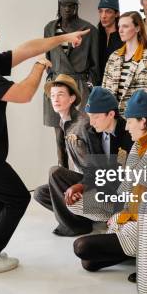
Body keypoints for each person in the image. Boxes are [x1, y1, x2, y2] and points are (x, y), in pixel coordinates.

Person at [0, 10, 88, 277]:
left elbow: (25, 49)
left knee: (2, 198)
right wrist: (39, 67)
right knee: (17, 199)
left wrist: (65, 37)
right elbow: (23, 94)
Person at [69, 90, 147, 294]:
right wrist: (119, 216)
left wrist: (126, 223)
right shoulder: (139, 146)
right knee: (88, 262)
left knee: (82, 248)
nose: (126, 127)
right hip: (134, 219)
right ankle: (131, 253)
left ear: (143, 121)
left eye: (130, 122)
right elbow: (127, 191)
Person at [34, 85, 132, 236]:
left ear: (111, 114)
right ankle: (83, 218)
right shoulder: (95, 131)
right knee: (42, 193)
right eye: (90, 116)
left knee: (74, 202)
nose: (91, 122)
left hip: (115, 193)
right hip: (98, 182)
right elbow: (94, 169)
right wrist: (81, 186)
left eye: (96, 117)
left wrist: (83, 188)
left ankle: (79, 222)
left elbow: (126, 181)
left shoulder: (128, 135)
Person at [43, 0, 100, 133]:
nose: (67, 9)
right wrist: (50, 77)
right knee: (59, 138)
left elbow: (95, 66)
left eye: (72, 5)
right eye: (64, 5)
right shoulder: (50, 29)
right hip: (57, 85)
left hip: (79, 88)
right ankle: (61, 159)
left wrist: (88, 87)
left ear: (77, 6)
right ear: (59, 5)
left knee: (80, 135)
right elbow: (48, 58)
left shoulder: (89, 30)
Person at [102, 11, 147, 115]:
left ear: (137, 28)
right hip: (113, 120)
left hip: (138, 120)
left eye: (125, 26)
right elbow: (104, 92)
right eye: (119, 26)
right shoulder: (114, 57)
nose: (120, 30)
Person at [97, 0, 124, 78]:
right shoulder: (96, 36)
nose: (103, 16)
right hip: (96, 87)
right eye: (101, 11)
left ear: (117, 14)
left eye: (108, 12)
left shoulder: (123, 38)